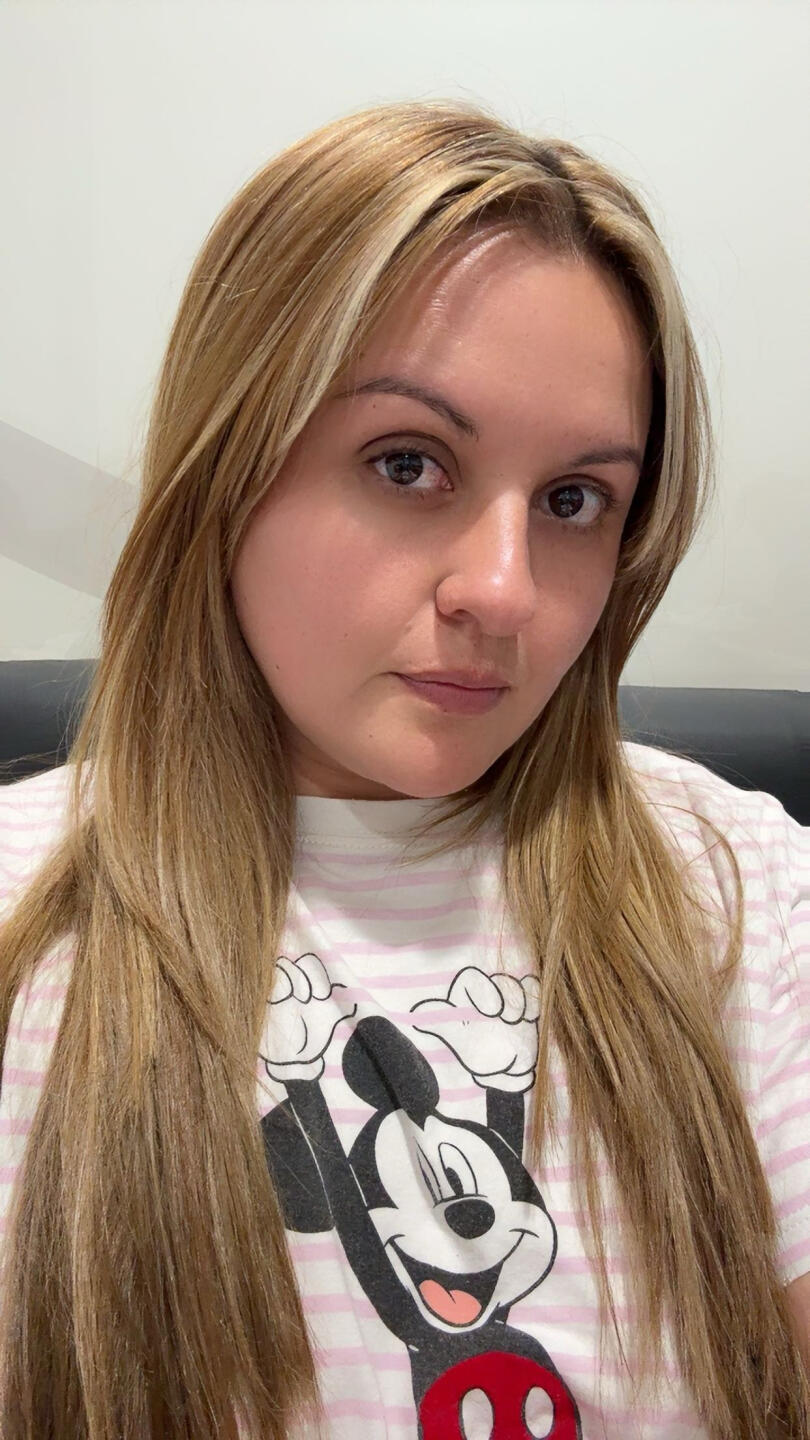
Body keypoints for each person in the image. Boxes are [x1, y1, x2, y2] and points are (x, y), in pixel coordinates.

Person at [0, 98, 807, 1440]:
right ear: (227, 469)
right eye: (407, 463)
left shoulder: (747, 889)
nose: (505, 590)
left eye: (574, 501)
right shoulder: (26, 916)